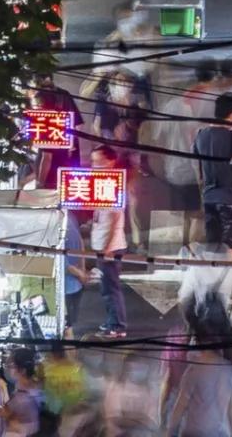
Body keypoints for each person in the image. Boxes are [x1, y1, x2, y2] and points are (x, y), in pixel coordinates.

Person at [192, 92, 232, 252]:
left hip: (209, 198)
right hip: (231, 199)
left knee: (213, 247)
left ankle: (214, 276)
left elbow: (196, 165)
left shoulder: (200, 135)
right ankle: (231, 276)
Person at [166, 334, 232, 437]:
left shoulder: (194, 369)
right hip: (219, 432)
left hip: (193, 432)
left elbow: (181, 405)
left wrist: (170, 432)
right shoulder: (228, 370)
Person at [90, 145, 128, 338]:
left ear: (111, 161)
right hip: (103, 245)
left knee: (111, 288)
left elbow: (114, 220)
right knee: (106, 288)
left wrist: (107, 248)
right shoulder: (101, 183)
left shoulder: (114, 184)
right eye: (93, 162)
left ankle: (118, 326)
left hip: (110, 248)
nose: (94, 166)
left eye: (98, 161)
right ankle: (112, 321)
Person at [41, 341, 86, 431]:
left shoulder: (46, 368)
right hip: (72, 411)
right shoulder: (79, 368)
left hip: (54, 413)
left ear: (53, 353)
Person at [1, 348, 44, 437]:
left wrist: (8, 416)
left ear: (23, 370)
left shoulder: (24, 398)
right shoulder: (34, 389)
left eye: (12, 366)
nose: (8, 369)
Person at [62, 213, 88, 337]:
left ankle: (70, 354)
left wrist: (82, 271)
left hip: (72, 285)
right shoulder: (67, 216)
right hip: (69, 284)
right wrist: (81, 273)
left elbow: (80, 242)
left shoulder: (69, 216)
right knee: (69, 327)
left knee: (69, 326)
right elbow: (63, 263)